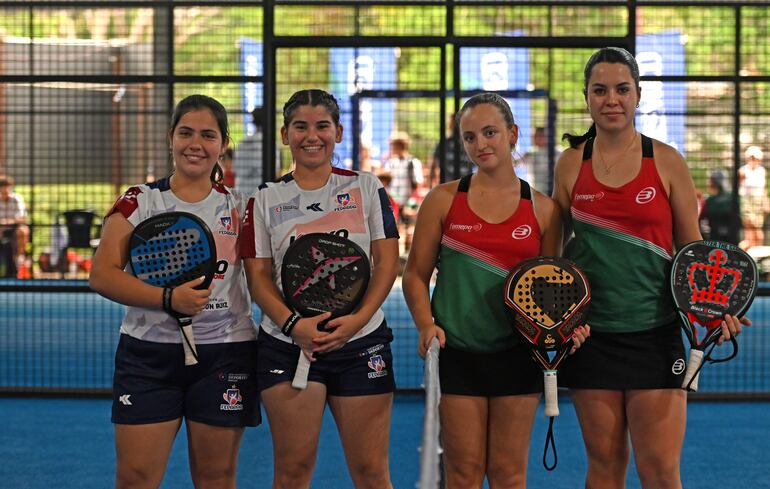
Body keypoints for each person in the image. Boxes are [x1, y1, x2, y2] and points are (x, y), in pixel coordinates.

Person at [552, 47, 748, 489]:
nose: (611, 99)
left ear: (638, 95)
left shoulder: (667, 161)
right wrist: (556, 321)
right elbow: (553, 260)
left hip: (656, 337)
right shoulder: (570, 164)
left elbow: (695, 256)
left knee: (660, 471)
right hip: (592, 338)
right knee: (604, 467)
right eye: (600, 90)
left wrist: (717, 310)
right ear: (587, 98)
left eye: (622, 89)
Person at [402, 92, 589, 488]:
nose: (480, 144)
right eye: (470, 137)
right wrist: (425, 324)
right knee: (463, 473)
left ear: (512, 134)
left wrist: (565, 327)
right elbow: (415, 276)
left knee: (507, 474)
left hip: (519, 356)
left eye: (490, 133)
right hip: (457, 355)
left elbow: (549, 288)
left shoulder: (543, 210)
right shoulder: (442, 201)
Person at [89, 94, 260, 489]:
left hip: (226, 353)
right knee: (135, 478)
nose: (195, 144)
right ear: (170, 138)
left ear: (223, 144)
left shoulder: (242, 207)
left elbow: (262, 276)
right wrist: (168, 299)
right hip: (149, 356)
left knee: (216, 478)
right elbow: (102, 275)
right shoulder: (140, 202)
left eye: (207, 135)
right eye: (185, 133)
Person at [241, 89, 400, 489]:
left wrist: (357, 321)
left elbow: (386, 263)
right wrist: (294, 325)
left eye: (322, 126)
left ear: (339, 132)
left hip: (360, 343)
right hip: (287, 345)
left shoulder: (367, 188)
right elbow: (258, 279)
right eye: (300, 126)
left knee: (371, 473)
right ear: (284, 134)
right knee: (292, 473)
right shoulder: (263, 199)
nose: (312, 136)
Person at [383, 132, 424, 254]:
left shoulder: (413, 162)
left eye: (393, 145)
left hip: (408, 200)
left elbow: (418, 183)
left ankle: (408, 254)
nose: (392, 148)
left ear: (400, 146)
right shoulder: (391, 162)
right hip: (394, 201)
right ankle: (398, 254)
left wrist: (412, 201)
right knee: (396, 228)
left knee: (409, 228)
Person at [428, 113, 474, 187]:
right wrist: (430, 186)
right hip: (447, 186)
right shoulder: (443, 143)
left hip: (467, 186)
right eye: (453, 123)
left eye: (457, 123)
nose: (455, 126)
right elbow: (433, 165)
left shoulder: (470, 142)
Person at [0, 174, 30, 278]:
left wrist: (6, 222)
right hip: (1, 229)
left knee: (22, 231)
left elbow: (21, 218)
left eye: (8, 186)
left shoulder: (17, 199)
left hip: (14, 228)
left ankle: (19, 259)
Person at [738, 145, 767, 250]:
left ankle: (757, 249)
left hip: (758, 200)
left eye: (754, 158)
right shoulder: (743, 171)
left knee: (757, 228)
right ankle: (750, 250)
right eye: (750, 157)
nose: (752, 160)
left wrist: (765, 202)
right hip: (747, 200)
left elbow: (764, 188)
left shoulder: (762, 171)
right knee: (748, 227)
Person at [700, 170, 741, 244]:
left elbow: (701, 219)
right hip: (732, 239)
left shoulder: (709, 201)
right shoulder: (733, 198)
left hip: (715, 239)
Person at [234, 106, 265, 196]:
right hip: (263, 194)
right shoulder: (271, 146)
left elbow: (236, 169)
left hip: (243, 192)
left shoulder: (242, 144)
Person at [523, 126, 562, 195]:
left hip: (553, 193)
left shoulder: (558, 153)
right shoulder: (531, 154)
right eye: (534, 136)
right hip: (538, 194)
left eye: (539, 136)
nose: (535, 139)